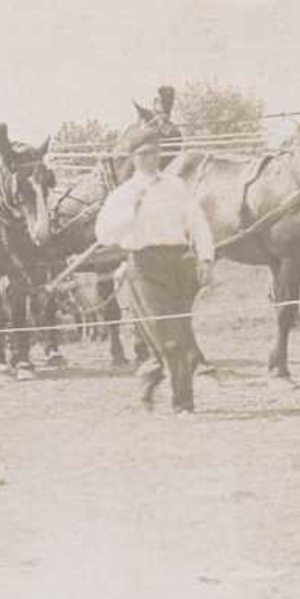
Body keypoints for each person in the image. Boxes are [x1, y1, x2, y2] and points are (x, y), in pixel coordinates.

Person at [94, 125, 214, 414]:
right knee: (170, 338)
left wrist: (206, 259)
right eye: (144, 154)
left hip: (180, 263)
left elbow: (197, 222)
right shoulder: (124, 193)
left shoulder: (176, 185)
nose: (151, 159)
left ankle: (150, 374)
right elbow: (105, 235)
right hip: (145, 266)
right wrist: (130, 210)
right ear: (133, 157)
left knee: (180, 335)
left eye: (156, 152)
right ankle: (183, 404)